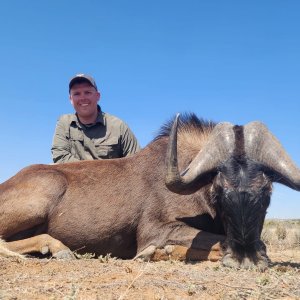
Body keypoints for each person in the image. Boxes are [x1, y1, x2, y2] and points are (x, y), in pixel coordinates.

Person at [51, 74, 141, 163]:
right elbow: (60, 156)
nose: (82, 98)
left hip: (110, 177)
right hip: (73, 178)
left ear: (98, 96)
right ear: (71, 99)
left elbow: (137, 162)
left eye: (87, 92)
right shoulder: (64, 123)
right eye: (77, 93)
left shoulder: (118, 126)